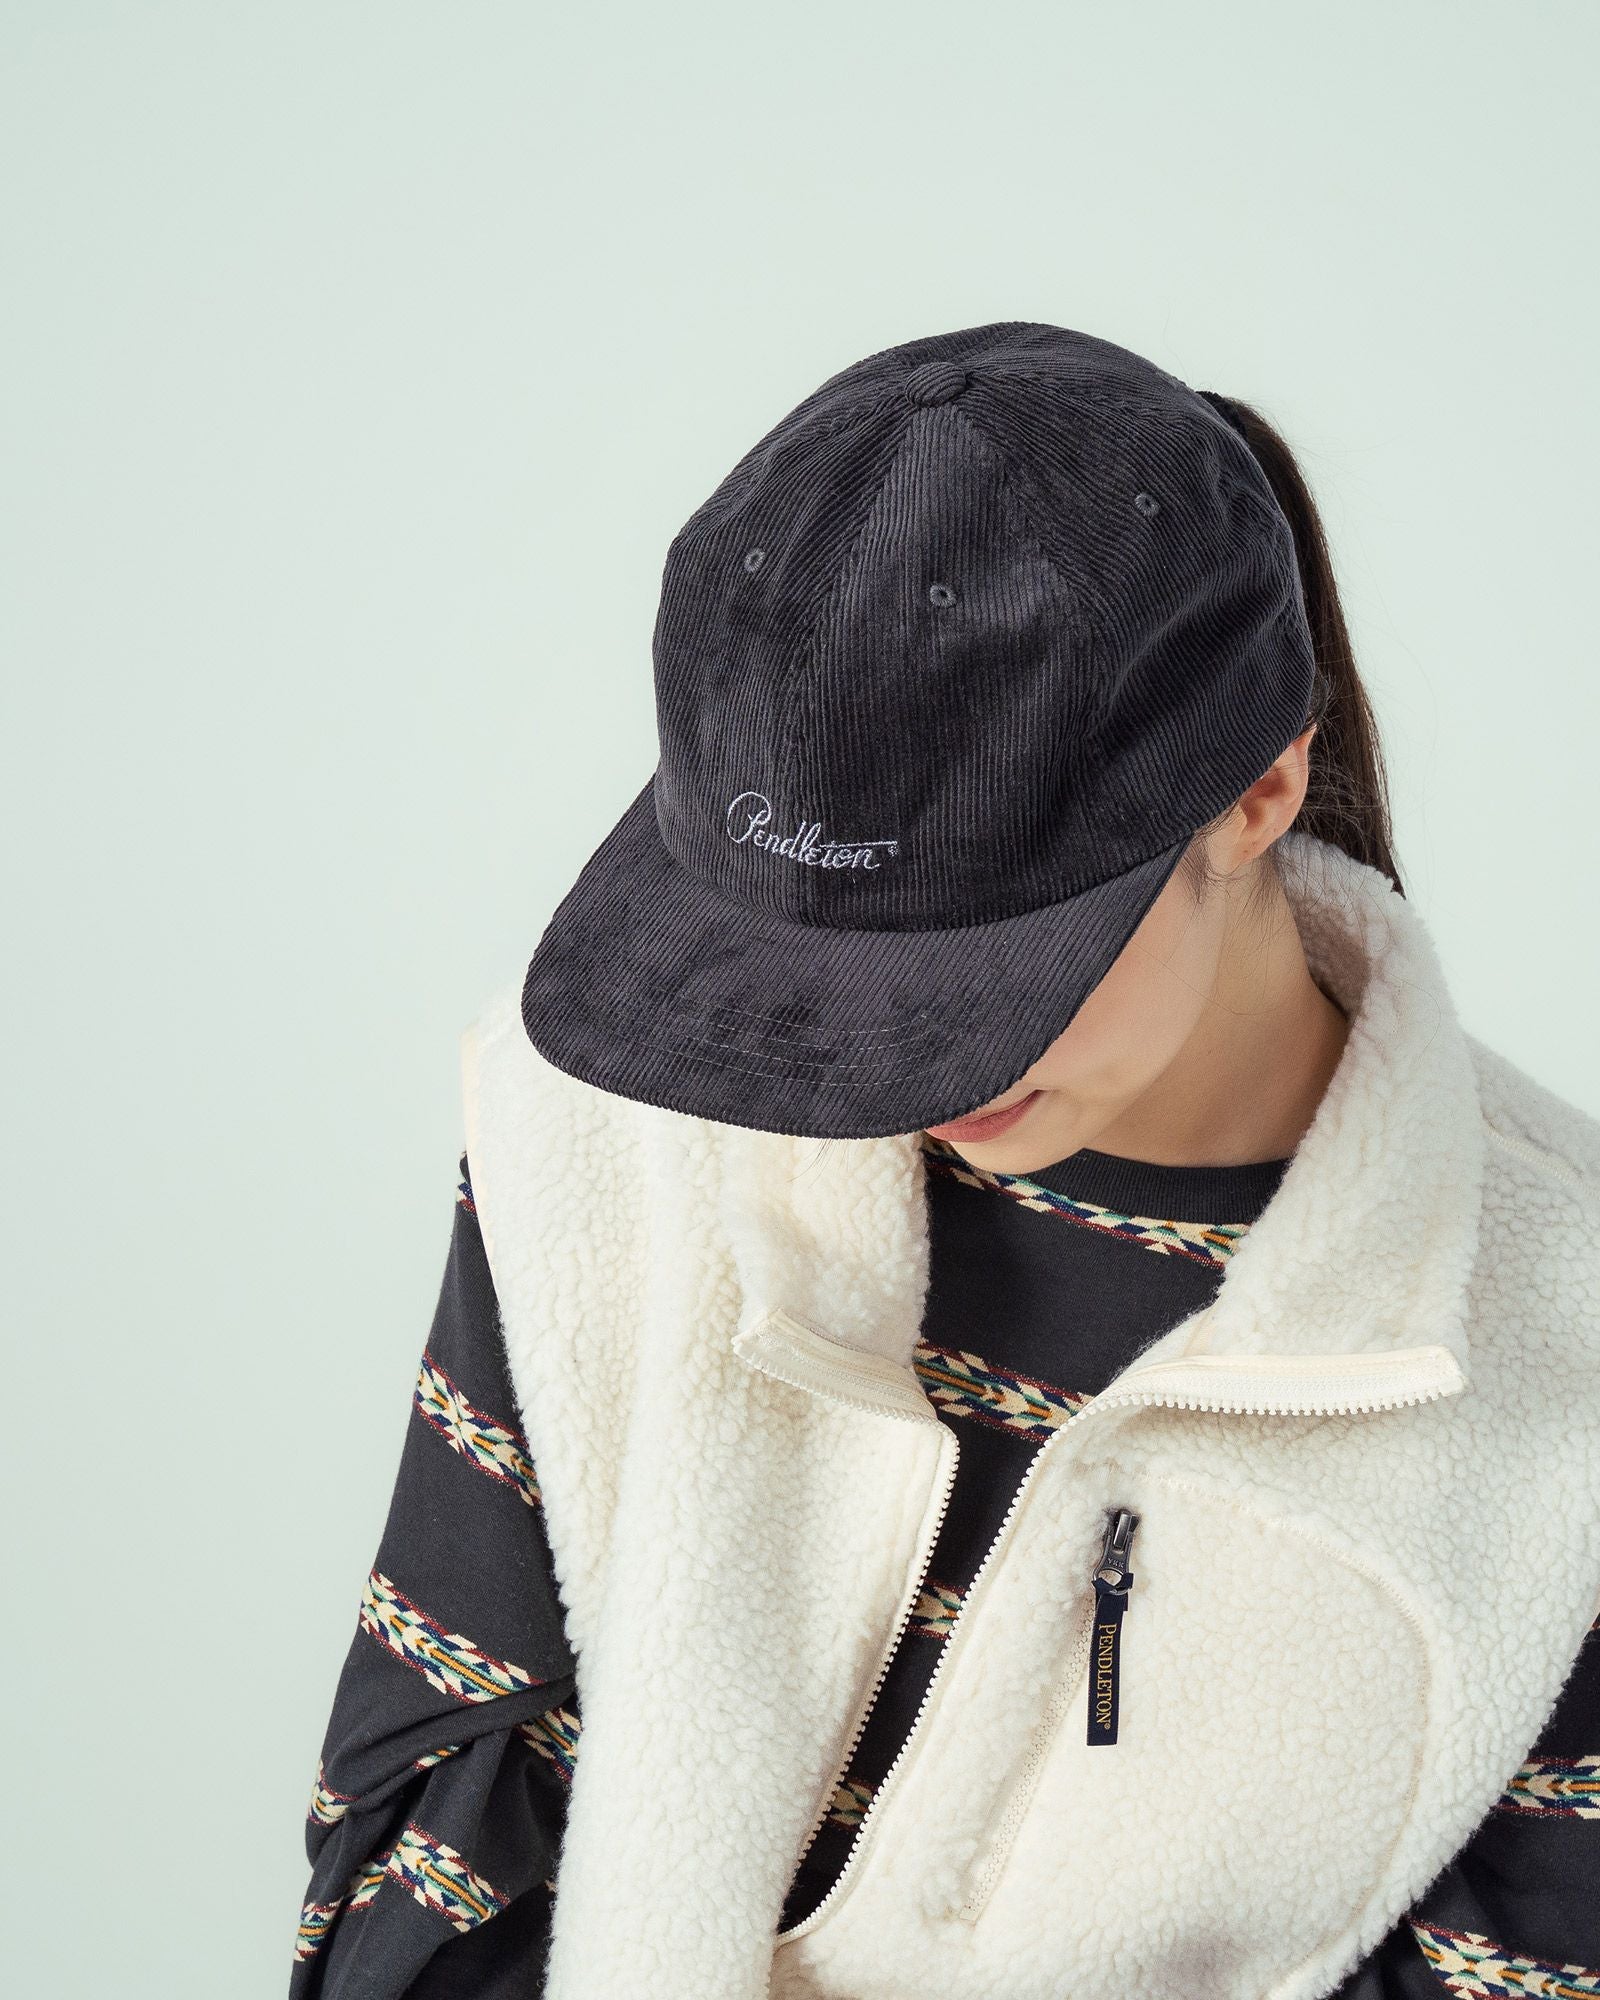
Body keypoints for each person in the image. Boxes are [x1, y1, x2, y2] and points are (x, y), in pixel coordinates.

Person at [290, 323, 1600, 1999]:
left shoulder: (1559, 1350)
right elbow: (417, 1853)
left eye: (988, 969)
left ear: (1261, 785)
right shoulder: (613, 1137)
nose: (886, 1062)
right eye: (816, 964)